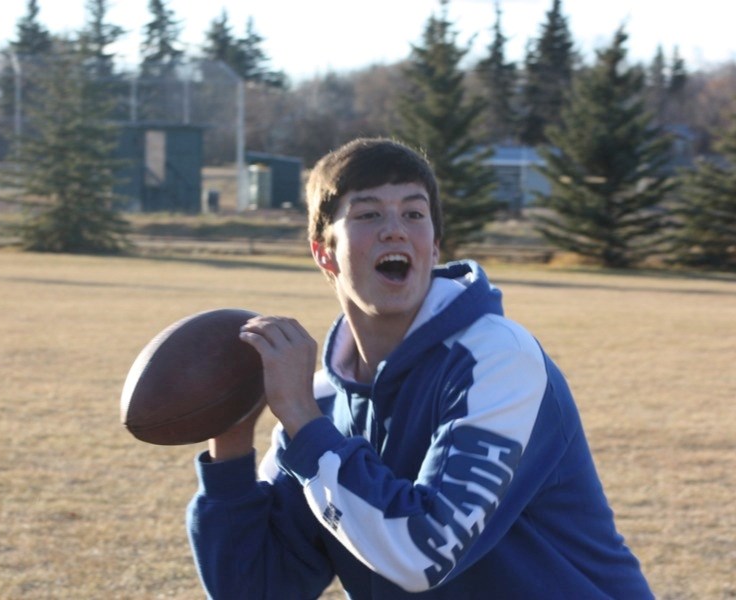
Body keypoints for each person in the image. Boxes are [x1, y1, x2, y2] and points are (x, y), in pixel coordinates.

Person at [186, 137, 653, 599]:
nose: (395, 230)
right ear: (323, 253)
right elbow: (254, 588)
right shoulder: (322, 403)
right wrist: (229, 435)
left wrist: (304, 424)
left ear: (433, 247)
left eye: (414, 213)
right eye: (368, 214)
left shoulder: (499, 359)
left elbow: (422, 554)